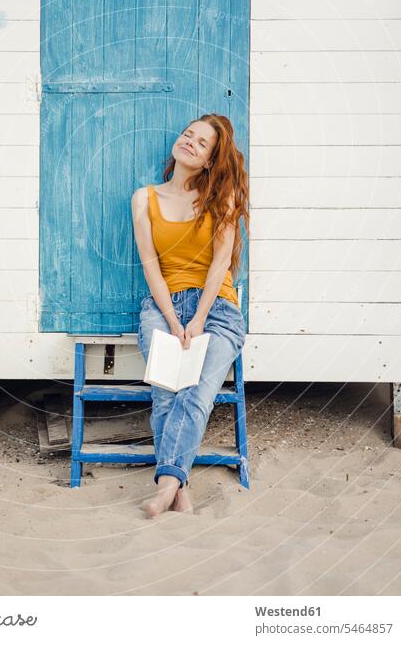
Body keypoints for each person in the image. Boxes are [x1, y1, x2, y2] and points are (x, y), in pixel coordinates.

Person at [131, 113, 250, 517]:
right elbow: (150, 265)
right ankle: (179, 486)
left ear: (210, 161)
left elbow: (219, 265)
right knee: (166, 388)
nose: (190, 143)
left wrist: (197, 320)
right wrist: (173, 317)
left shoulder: (222, 198)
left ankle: (165, 485)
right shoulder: (144, 198)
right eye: (188, 135)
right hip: (163, 306)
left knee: (194, 391)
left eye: (202, 143)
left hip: (217, 310)